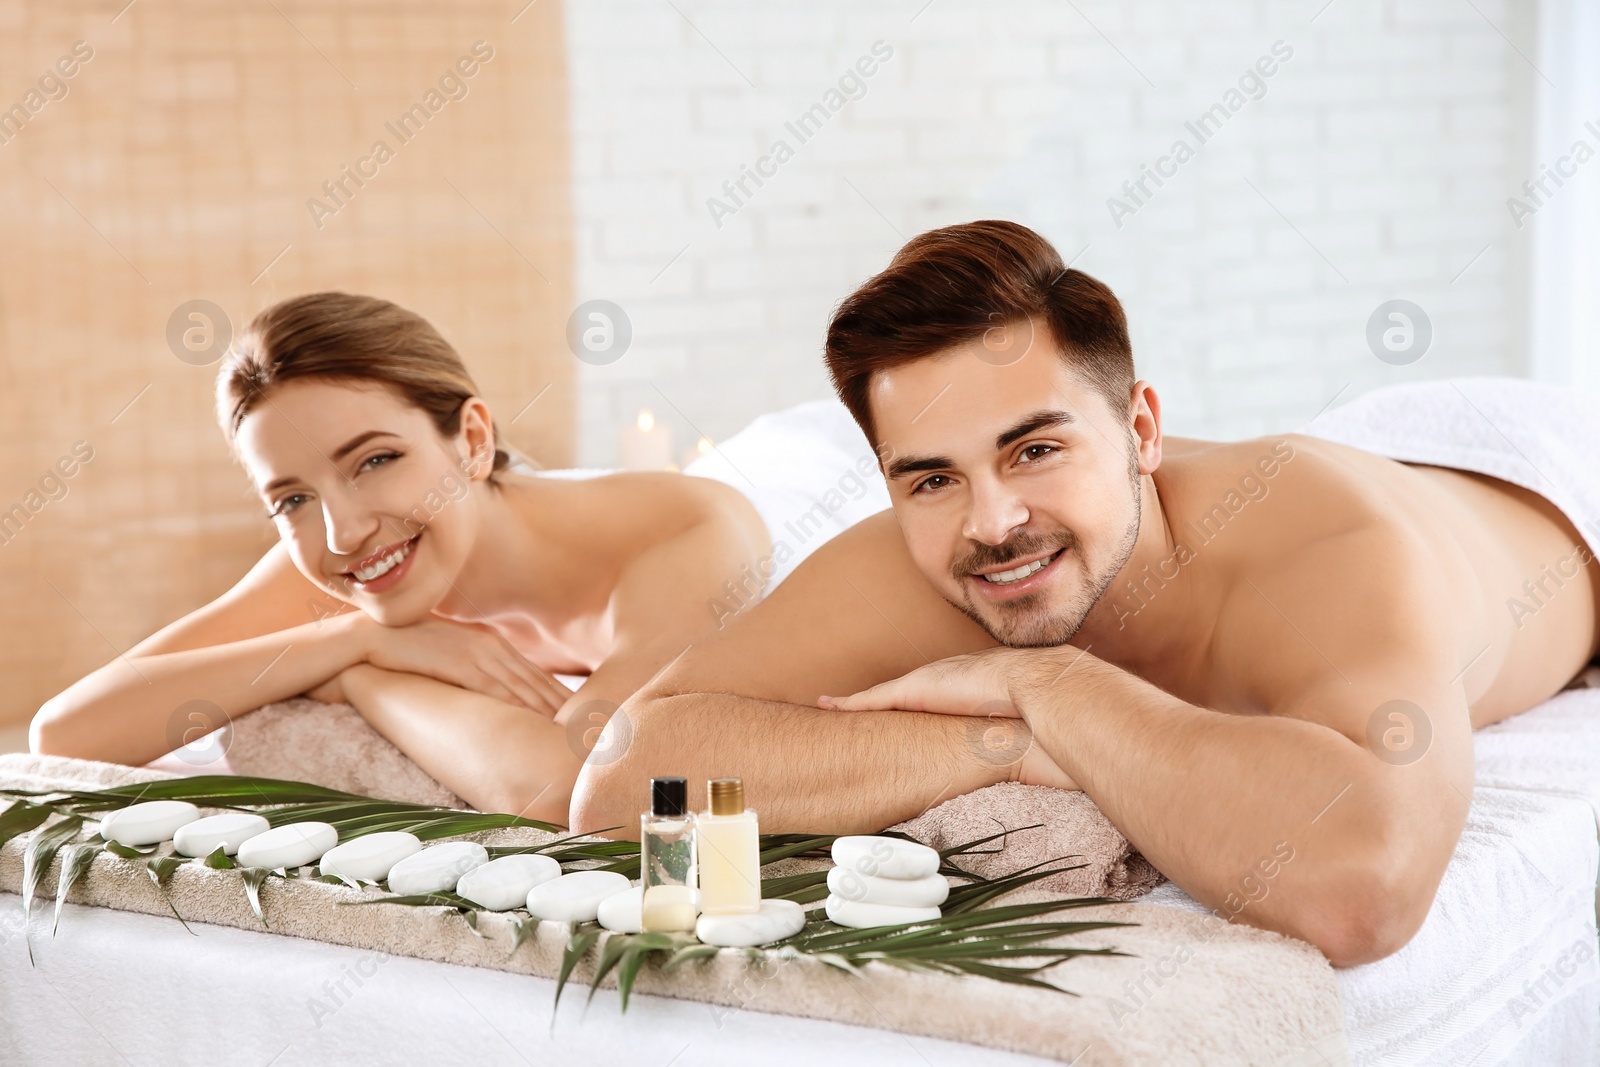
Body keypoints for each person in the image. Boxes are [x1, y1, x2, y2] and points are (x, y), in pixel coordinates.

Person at [570, 220, 1600, 967]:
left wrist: (1059, 683)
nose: (991, 521)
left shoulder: (1336, 547)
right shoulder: (933, 550)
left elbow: (1362, 889)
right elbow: (623, 777)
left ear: (1141, 429)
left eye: (1036, 448)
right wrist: (1010, 740)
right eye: (929, 475)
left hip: (1555, 486)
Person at [30, 292, 769, 823]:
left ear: (472, 440)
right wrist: (354, 636)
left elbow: (565, 787)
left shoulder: (684, 536)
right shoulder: (343, 562)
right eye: (291, 499)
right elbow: (67, 732)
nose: (344, 532)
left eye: (375, 459)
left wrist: (362, 679)